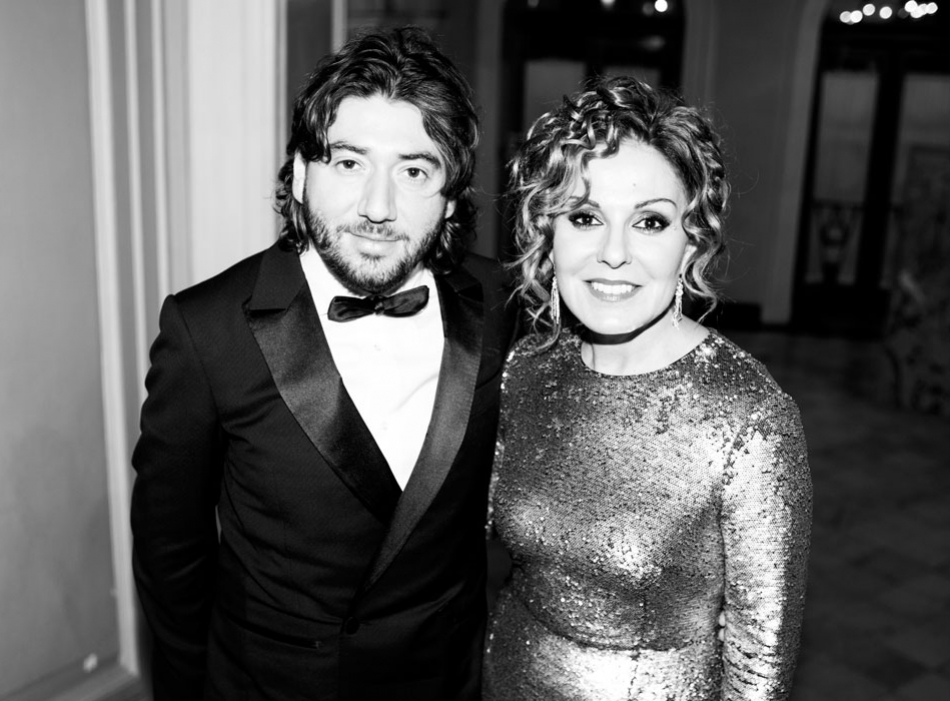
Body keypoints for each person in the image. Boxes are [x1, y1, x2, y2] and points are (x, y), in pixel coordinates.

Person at [131, 27, 516, 701]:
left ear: (451, 197)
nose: (377, 208)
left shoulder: (502, 304)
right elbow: (172, 554)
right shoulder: (208, 328)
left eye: (415, 171)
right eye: (348, 163)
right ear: (303, 174)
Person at [483, 76, 812, 700]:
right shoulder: (527, 367)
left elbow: (759, 667)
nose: (614, 253)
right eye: (585, 217)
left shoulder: (749, 419)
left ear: (691, 244)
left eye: (650, 222)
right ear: (549, 237)